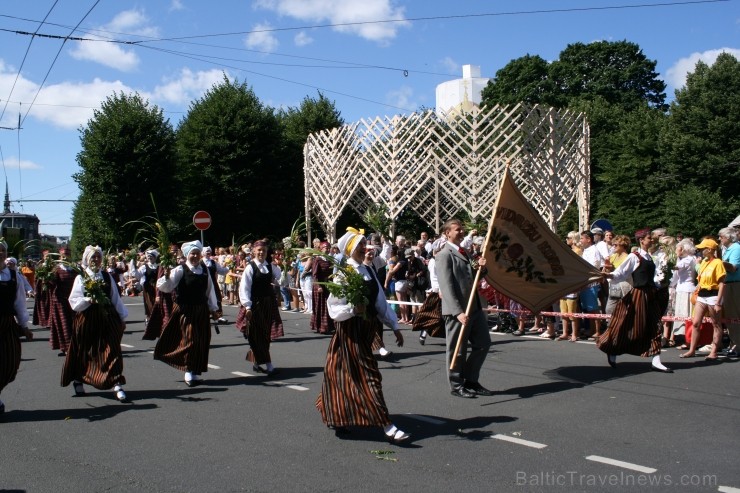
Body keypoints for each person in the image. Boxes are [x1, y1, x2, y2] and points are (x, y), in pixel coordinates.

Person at [316, 227, 409, 444]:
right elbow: (334, 308)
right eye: (359, 245)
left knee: (341, 375)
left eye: (364, 244)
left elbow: (379, 301)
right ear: (350, 249)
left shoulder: (367, 270)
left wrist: (394, 326)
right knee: (369, 377)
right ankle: (388, 425)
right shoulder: (343, 272)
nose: (363, 248)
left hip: (365, 331)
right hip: (350, 332)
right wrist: (352, 309)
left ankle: (335, 413)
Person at [599, 228, 672, 373]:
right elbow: (621, 273)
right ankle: (612, 350)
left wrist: (660, 283)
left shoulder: (649, 257)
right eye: (649, 238)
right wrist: (608, 275)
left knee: (655, 326)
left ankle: (656, 360)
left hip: (650, 294)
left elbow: (651, 277)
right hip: (638, 295)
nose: (651, 240)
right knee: (627, 325)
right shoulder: (634, 256)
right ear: (641, 240)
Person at [435, 219, 493, 398]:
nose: (461, 232)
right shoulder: (444, 255)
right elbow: (446, 286)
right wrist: (457, 312)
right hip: (458, 311)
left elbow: (473, 276)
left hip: (473, 306)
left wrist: (481, 268)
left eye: (462, 229)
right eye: (457, 230)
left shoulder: (465, 252)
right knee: (457, 350)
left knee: (483, 344)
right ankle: (456, 384)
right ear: (447, 233)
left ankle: (471, 380)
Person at [63, 246, 129, 401]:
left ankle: (116, 383)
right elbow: (74, 301)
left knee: (112, 349)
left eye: (98, 256)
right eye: (93, 257)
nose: (96, 260)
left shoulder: (106, 276)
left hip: (108, 317)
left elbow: (115, 298)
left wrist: (122, 317)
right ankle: (79, 379)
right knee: (86, 350)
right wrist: (88, 300)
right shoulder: (81, 277)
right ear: (87, 259)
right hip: (88, 318)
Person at [154, 241, 220, 386]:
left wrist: (214, 308)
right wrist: (166, 277)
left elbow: (209, 290)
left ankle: (195, 370)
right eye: (192, 253)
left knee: (202, 340)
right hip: (185, 310)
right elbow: (166, 287)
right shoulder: (180, 270)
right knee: (190, 339)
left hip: (201, 309)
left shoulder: (204, 269)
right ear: (187, 255)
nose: (195, 256)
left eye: (197, 253)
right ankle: (188, 370)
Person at [237, 240, 284, 376]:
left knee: (265, 334)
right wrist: (247, 306)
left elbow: (280, 281)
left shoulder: (271, 266)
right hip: (255, 305)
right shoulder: (250, 268)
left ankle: (257, 362)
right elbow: (244, 288)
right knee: (257, 334)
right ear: (253, 252)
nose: (261, 253)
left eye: (263, 250)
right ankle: (269, 365)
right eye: (259, 250)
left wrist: (284, 269)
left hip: (268, 304)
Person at [0, 240, 33, 414]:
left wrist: (24, 326)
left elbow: (20, 303)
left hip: (6, 323)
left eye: (3, 251)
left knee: (10, 362)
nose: (0, 254)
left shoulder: (13, 275)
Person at [680, 238, 726, 361]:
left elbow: (722, 284)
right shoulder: (704, 262)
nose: (700, 251)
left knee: (716, 324)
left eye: (703, 248)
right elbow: (700, 280)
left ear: (710, 250)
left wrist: (718, 302)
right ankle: (692, 350)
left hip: (714, 294)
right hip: (702, 294)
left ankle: (714, 351)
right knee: (696, 323)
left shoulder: (718, 263)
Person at [413, 237, 446, 345]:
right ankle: (424, 332)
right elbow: (438, 277)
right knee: (435, 316)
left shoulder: (437, 260)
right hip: (438, 292)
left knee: (438, 316)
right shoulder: (435, 261)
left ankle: (425, 333)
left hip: (440, 291)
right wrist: (440, 290)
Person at [48, 246, 76, 356]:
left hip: (72, 299)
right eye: (63, 255)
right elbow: (51, 284)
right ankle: (66, 347)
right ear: (60, 256)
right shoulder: (56, 269)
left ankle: (74, 345)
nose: (65, 257)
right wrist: (48, 278)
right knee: (63, 323)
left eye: (67, 255)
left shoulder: (74, 269)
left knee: (73, 323)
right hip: (60, 300)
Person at [719, 228, 740, 357]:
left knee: (735, 316)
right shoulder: (729, 249)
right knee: (730, 317)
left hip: (734, 284)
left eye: (721, 236)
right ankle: (734, 344)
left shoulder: (736, 248)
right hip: (729, 284)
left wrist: (719, 263)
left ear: (728, 237)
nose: (720, 239)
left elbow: (733, 268)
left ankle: (737, 346)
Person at [310, 241, 335, 334]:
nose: (328, 249)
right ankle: (320, 326)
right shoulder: (317, 259)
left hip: (328, 285)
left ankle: (329, 326)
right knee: (321, 306)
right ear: (321, 249)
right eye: (326, 248)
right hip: (320, 286)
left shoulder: (330, 259)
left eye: (329, 248)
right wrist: (318, 286)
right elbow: (314, 274)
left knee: (328, 305)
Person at [130, 249, 160, 324]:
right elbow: (137, 275)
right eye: (148, 256)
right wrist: (133, 265)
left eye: (151, 256)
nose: (149, 258)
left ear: (155, 257)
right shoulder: (144, 267)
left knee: (157, 304)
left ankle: (156, 319)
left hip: (157, 288)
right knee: (149, 304)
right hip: (148, 289)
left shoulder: (159, 267)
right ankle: (149, 318)